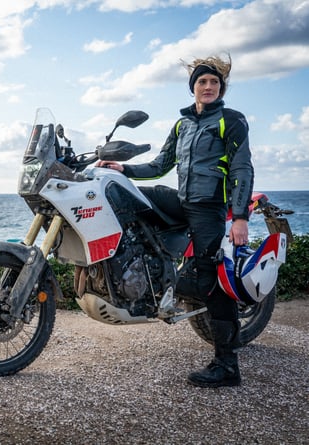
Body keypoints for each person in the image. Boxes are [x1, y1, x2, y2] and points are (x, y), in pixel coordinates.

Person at [96, 54, 254, 388]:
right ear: (193, 88)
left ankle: (227, 366)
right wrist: (125, 170)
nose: (208, 86)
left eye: (213, 82)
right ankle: (139, 268)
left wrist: (239, 217)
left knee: (212, 280)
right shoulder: (183, 124)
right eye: (202, 82)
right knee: (132, 193)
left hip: (210, 207)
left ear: (221, 88)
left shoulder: (231, 120)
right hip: (184, 200)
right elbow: (160, 164)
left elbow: (242, 168)